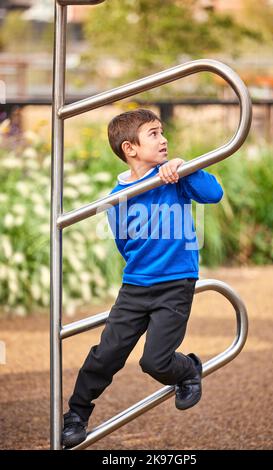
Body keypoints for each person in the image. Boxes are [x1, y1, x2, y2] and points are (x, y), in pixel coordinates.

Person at [62, 108, 223, 448]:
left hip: (176, 283)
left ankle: (188, 370)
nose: (163, 139)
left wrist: (184, 169)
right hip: (136, 286)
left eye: (162, 132)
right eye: (153, 134)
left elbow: (213, 194)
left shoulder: (175, 179)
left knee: (155, 361)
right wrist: (143, 268)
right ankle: (76, 413)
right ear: (129, 149)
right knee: (106, 355)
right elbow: (125, 243)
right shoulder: (115, 198)